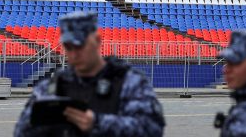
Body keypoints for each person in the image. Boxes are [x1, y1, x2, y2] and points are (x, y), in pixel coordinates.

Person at [14, 11, 164, 137]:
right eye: (68, 47)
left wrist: (97, 123)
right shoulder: (51, 87)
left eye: (79, 46)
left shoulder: (129, 82)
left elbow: (151, 128)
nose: (74, 54)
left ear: (97, 40)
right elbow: (21, 132)